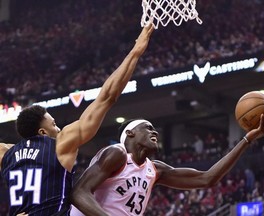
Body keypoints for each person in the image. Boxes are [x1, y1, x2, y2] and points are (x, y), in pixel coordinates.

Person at [0, 24, 154, 216]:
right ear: (43, 132)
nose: (59, 128)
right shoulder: (60, 144)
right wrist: (135, 53)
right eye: (54, 125)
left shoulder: (6, 153)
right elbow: (106, 98)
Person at [70, 114, 264, 216]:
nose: (155, 132)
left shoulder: (155, 170)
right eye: (148, 128)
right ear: (130, 133)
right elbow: (79, 193)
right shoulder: (117, 153)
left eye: (155, 129)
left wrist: (247, 140)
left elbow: (207, 178)